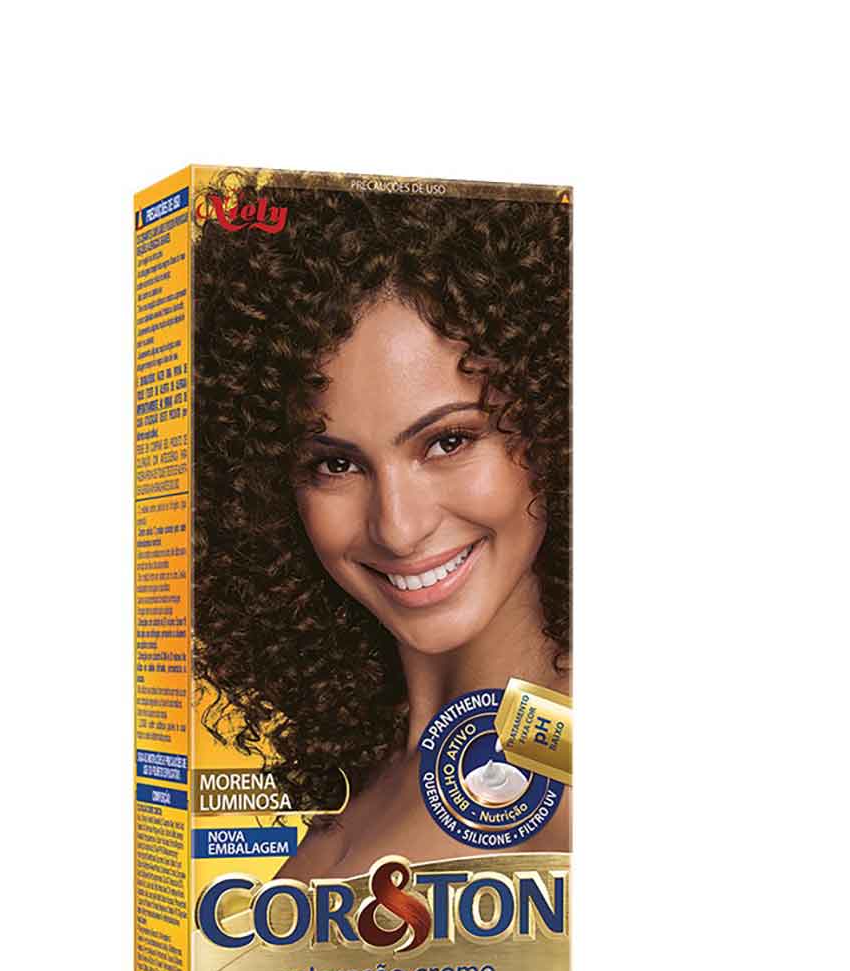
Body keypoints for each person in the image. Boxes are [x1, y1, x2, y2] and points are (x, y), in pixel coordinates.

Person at [192, 169, 570, 882]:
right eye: (336, 464)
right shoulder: (392, 763)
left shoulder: (561, 765)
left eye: (449, 441)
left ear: (553, 425)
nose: (397, 528)